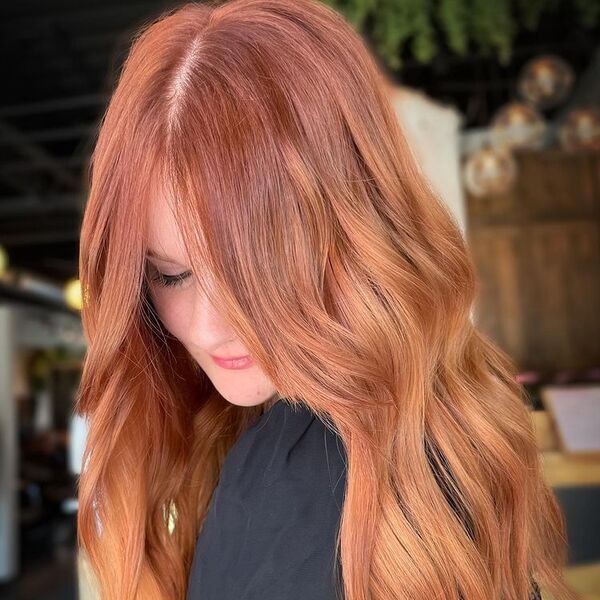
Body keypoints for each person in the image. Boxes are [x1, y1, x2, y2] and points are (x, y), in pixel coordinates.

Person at [75, 0, 576, 599]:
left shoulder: (293, 478)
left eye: (252, 273)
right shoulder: (449, 417)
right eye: (171, 276)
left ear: (353, 229)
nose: (210, 329)